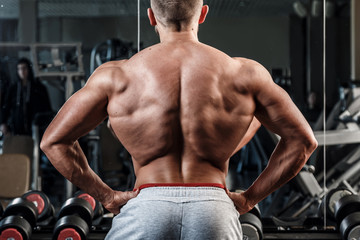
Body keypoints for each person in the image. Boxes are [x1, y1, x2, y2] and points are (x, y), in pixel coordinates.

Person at [40, 0, 318, 239]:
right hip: (214, 210)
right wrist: (249, 198)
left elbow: (54, 142)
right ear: (203, 14)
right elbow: (303, 141)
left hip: (146, 206)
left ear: (150, 16)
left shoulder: (116, 77)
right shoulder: (244, 74)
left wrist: (107, 197)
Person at [0, 58, 52, 136]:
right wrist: (2, 123)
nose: (22, 72)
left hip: (37, 128)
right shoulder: (13, 89)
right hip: (17, 128)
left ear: (29, 69)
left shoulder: (39, 88)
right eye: (19, 69)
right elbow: (6, 107)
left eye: (24, 68)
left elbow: (47, 108)